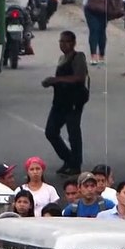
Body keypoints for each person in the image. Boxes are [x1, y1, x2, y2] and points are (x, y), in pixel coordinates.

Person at [43, 31, 90, 175]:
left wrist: (56, 80)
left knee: (73, 132)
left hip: (74, 101)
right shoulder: (62, 58)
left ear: (73, 43)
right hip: (60, 101)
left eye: (67, 41)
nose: (63, 44)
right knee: (51, 131)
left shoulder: (78, 57)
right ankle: (68, 159)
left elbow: (79, 77)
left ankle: (75, 164)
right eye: (61, 41)